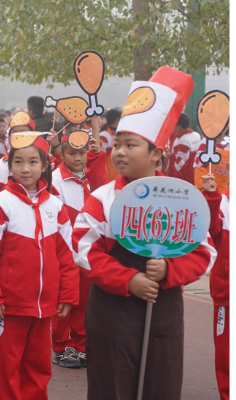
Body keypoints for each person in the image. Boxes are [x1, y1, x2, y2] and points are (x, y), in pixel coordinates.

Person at [73, 68, 217, 400]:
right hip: (111, 313)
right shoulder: (104, 198)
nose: (119, 152)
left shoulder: (182, 200)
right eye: (117, 144)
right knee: (112, 385)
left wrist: (171, 269)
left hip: (163, 312)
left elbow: (204, 251)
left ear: (157, 154)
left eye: (130, 145)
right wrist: (127, 280)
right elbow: (83, 248)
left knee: (161, 384)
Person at [0, 132, 79, 400]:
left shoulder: (56, 207)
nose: (25, 168)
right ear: (9, 166)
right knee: (8, 366)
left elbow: (67, 255)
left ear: (45, 165)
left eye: (33, 162)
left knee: (39, 366)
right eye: (18, 162)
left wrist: (67, 294)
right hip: (9, 305)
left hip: (44, 306)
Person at [50, 132, 108, 369]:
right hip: (65, 250)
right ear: (61, 154)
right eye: (72, 153)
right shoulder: (54, 180)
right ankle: (62, 346)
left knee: (86, 299)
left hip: (90, 248)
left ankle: (82, 345)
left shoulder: (94, 177)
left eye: (82, 153)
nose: (78, 158)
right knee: (66, 298)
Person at [202, 173, 230, 400]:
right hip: (226, 291)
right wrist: (211, 197)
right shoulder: (221, 203)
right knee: (226, 353)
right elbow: (211, 230)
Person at [165, 113, 202, 185]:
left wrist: (175, 182)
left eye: (173, 126)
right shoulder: (196, 135)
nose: (172, 129)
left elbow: (180, 166)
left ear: (178, 127)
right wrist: (172, 156)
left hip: (185, 180)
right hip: (194, 175)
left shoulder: (183, 141)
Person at [99, 108, 122, 181]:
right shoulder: (104, 136)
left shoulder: (118, 133)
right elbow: (100, 159)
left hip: (118, 173)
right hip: (109, 177)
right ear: (117, 119)